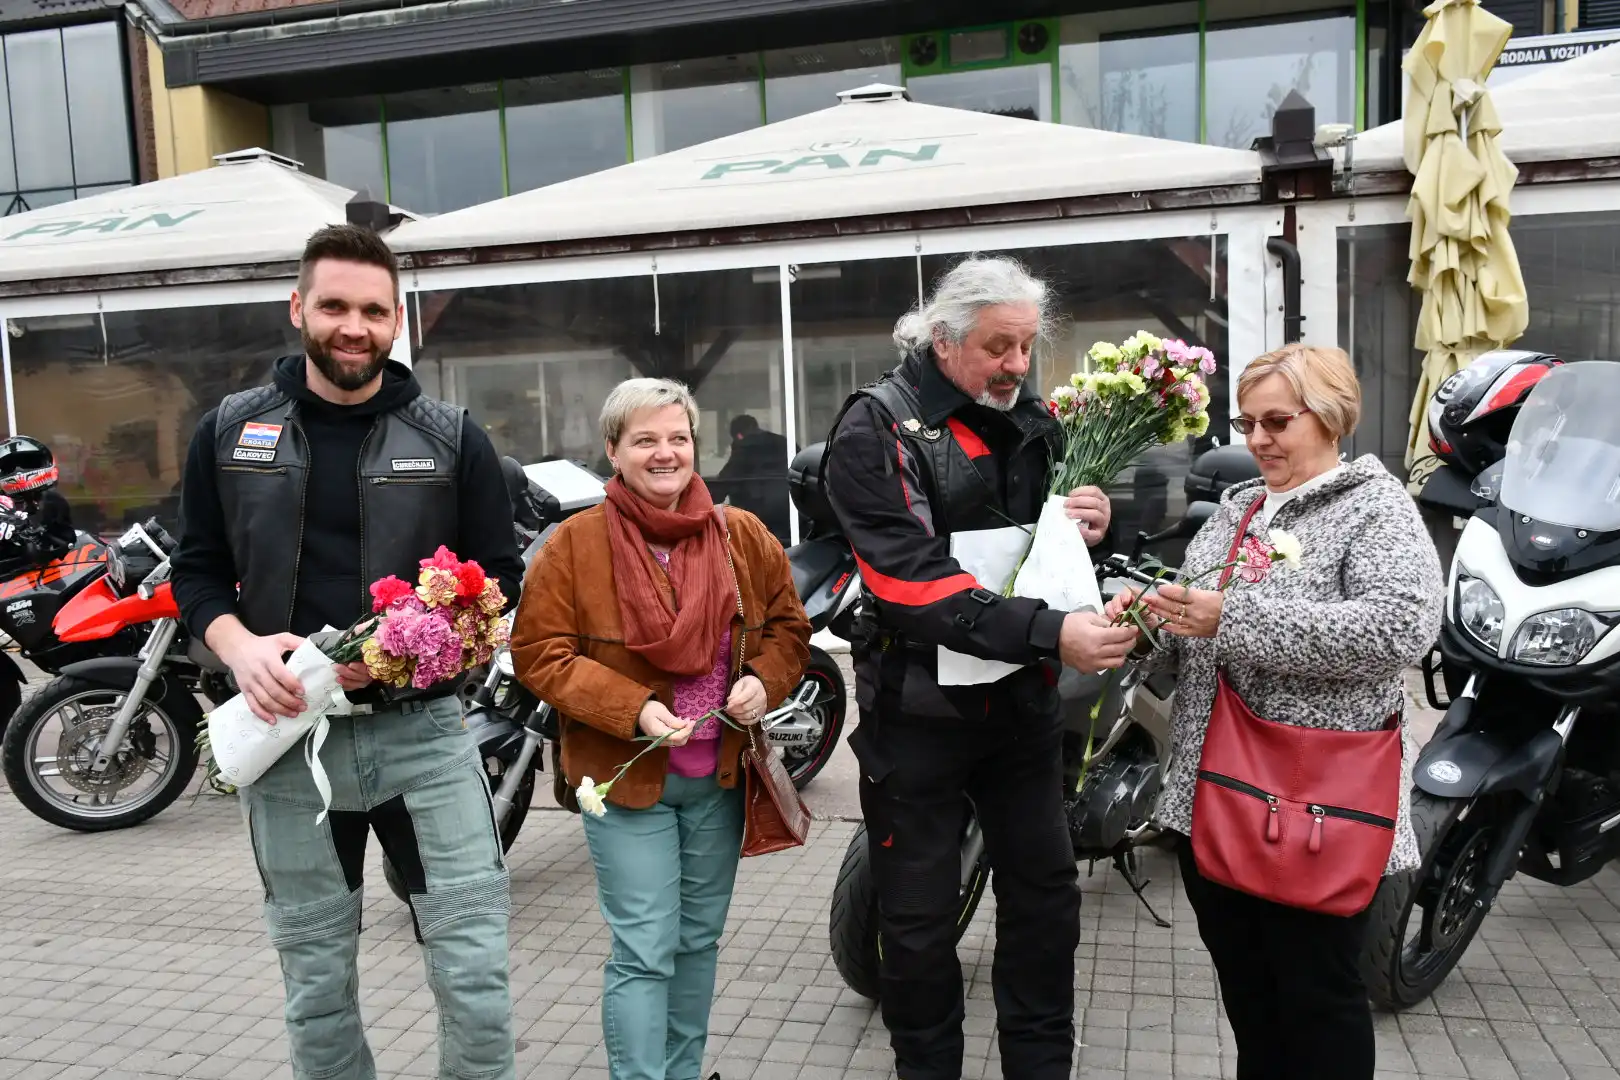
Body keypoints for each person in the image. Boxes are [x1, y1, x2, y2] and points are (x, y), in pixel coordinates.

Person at [171, 223, 526, 1080]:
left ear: (395, 320)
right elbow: (198, 573)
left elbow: (500, 588)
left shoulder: (453, 439)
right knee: (317, 986)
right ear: (298, 307)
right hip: (290, 742)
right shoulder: (228, 433)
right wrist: (240, 646)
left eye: (372, 310)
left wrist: (409, 658)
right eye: (333, 305)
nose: (352, 326)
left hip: (427, 743)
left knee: (476, 977)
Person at [821, 255, 1138, 1080]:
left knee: (1046, 903)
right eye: (1000, 348)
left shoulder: (1030, 413)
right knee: (919, 927)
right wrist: (1050, 633)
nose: (1018, 367)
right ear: (944, 340)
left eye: (1029, 346)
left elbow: (1035, 531)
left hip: (1022, 715)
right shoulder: (877, 427)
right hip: (918, 720)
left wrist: (1085, 520)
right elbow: (909, 583)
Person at [1106, 343, 1443, 1080]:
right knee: (1253, 1001)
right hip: (1217, 801)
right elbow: (1194, 630)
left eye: (1276, 422)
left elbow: (1399, 629)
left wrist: (1229, 617)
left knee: (1318, 1003)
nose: (1256, 439)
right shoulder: (1236, 510)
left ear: (1329, 418)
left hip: (1316, 809)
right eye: (1246, 422)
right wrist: (1147, 623)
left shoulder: (1377, 510)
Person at [509, 377, 810, 1080]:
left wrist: (764, 682)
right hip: (627, 783)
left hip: (719, 780)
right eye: (645, 439)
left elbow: (792, 630)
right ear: (614, 450)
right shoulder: (574, 545)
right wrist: (633, 707)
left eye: (677, 438)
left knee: (698, 942)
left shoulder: (743, 536)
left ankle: (683, 1070)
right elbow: (538, 653)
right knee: (645, 947)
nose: (665, 453)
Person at [0, 436, 76, 566]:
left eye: (27, 463)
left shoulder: (51, 500)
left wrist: (24, 530)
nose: (18, 472)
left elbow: (62, 545)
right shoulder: (3, 504)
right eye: (10, 467)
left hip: (40, 575)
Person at [714, 413, 790, 542]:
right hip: (788, 521)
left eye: (737, 437)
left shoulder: (745, 448)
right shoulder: (784, 443)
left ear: (740, 433)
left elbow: (722, 485)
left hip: (753, 523)